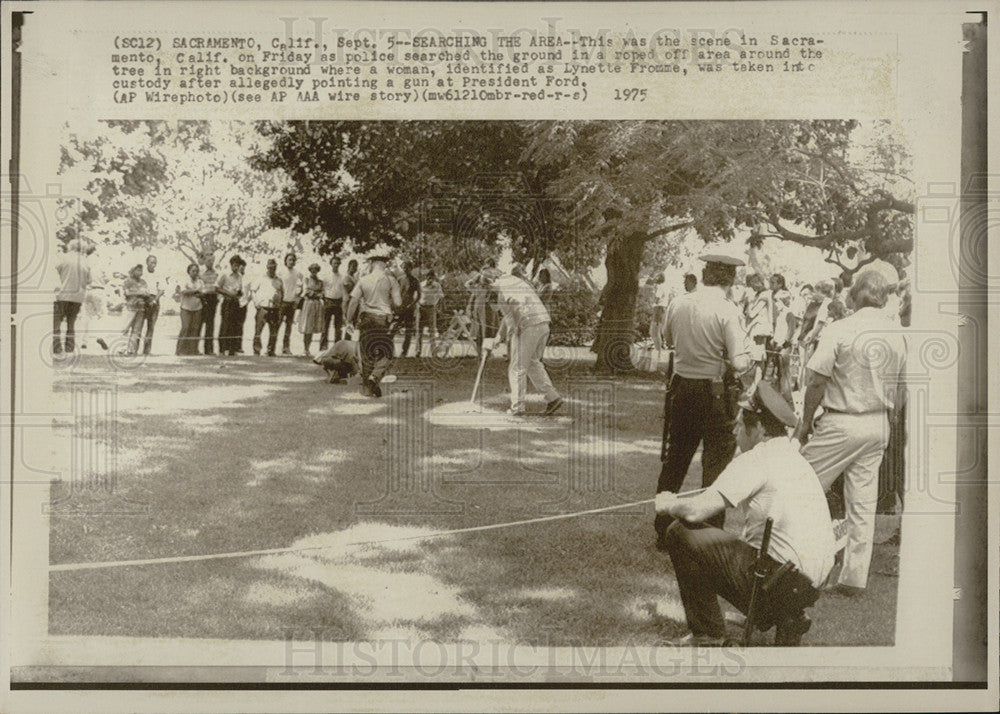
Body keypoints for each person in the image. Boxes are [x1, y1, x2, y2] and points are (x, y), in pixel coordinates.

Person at [656, 382, 835, 646]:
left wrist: (669, 504)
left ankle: (708, 635)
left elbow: (696, 512)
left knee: (680, 533)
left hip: (779, 581)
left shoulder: (756, 459)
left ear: (760, 429)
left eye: (740, 425)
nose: (735, 431)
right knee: (745, 546)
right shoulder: (794, 458)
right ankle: (787, 615)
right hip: (809, 587)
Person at [793, 270, 907, 595]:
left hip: (842, 420)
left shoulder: (841, 328)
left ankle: (795, 561)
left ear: (855, 295)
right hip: (879, 422)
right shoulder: (896, 334)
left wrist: (804, 425)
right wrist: (891, 417)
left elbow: (816, 379)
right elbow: (902, 385)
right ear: (883, 296)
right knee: (862, 503)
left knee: (800, 486)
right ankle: (853, 579)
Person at [654, 243, 752, 547]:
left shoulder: (679, 303)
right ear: (730, 278)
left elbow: (668, 340)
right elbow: (738, 361)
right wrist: (749, 357)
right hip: (715, 391)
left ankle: (662, 528)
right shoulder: (727, 310)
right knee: (716, 464)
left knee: (676, 459)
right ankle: (709, 537)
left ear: (706, 273)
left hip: (682, 387)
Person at [485, 266, 563, 417]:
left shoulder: (503, 284)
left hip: (529, 325)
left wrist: (517, 326)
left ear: (491, 280)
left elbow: (516, 304)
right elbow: (506, 316)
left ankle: (517, 408)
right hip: (542, 323)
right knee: (533, 363)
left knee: (516, 368)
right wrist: (498, 338)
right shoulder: (513, 282)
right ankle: (553, 398)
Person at [345, 251, 401, 397]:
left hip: (366, 318)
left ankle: (366, 388)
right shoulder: (391, 280)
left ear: (371, 263)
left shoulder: (364, 279)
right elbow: (398, 303)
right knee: (387, 352)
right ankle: (374, 378)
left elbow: (353, 301)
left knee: (366, 353)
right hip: (383, 319)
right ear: (385, 264)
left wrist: (349, 320)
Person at [52, 238, 91, 356]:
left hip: (63, 294)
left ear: (71, 246)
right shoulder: (85, 262)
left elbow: (55, 270)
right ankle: (69, 347)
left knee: (56, 322)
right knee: (71, 322)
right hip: (77, 297)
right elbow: (89, 280)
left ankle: (57, 347)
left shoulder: (64, 258)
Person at [249, 258, 284, 356]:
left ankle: (271, 350)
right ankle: (256, 350)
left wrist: (279, 304)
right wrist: (256, 303)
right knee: (258, 330)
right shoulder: (261, 278)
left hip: (274, 308)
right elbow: (252, 291)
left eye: (274, 267)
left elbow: (282, 293)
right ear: (267, 267)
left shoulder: (279, 280)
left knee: (274, 331)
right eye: (270, 267)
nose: (272, 269)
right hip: (263, 308)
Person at [77, 243, 109, 351]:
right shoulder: (100, 261)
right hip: (99, 290)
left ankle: (84, 341)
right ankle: (101, 336)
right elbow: (107, 278)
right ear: (95, 250)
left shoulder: (84, 262)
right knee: (102, 315)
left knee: (86, 316)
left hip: (87, 290)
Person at [388, 262, 421, 357]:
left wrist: (412, 305)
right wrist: (394, 305)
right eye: (404, 268)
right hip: (400, 307)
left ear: (411, 269)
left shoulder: (415, 280)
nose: (405, 270)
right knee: (393, 328)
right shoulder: (400, 279)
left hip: (409, 308)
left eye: (407, 268)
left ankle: (404, 351)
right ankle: (390, 350)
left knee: (408, 330)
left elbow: (419, 296)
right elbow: (394, 293)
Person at [216, 255, 245, 356]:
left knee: (235, 326)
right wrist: (228, 293)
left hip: (235, 302)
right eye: (235, 265)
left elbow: (240, 290)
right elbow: (217, 288)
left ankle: (232, 349)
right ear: (231, 264)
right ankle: (222, 349)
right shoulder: (224, 274)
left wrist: (239, 293)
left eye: (238, 265)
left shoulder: (240, 276)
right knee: (225, 325)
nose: (236, 267)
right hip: (227, 301)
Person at [136, 254, 164, 355]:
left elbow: (161, 290)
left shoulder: (158, 274)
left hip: (154, 300)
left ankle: (147, 351)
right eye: (151, 262)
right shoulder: (142, 274)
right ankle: (134, 349)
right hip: (143, 301)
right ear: (147, 263)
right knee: (139, 326)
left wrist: (155, 300)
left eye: (155, 262)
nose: (153, 264)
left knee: (151, 327)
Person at [175, 263, 204, 355]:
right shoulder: (185, 280)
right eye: (193, 271)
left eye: (196, 271)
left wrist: (193, 292)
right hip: (186, 308)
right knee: (185, 328)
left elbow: (202, 293)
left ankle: (193, 350)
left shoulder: (200, 282)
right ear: (189, 272)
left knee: (195, 329)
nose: (195, 273)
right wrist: (195, 291)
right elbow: (183, 291)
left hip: (197, 307)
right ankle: (180, 350)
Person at [277, 252, 303, 355]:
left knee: (288, 326)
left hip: (291, 303)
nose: (291, 262)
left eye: (293, 260)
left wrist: (297, 297)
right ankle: (272, 347)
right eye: (289, 260)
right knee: (277, 325)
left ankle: (286, 347)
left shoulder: (297, 273)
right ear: (286, 261)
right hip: (282, 302)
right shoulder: (281, 272)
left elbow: (301, 286)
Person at [320, 256, 347, 350]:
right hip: (328, 301)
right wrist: (324, 300)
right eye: (334, 263)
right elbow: (322, 289)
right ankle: (323, 347)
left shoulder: (342, 277)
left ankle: (337, 348)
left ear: (339, 264)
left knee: (338, 327)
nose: (336, 265)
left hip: (338, 302)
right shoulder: (326, 276)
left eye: (337, 263)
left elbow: (343, 291)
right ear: (331, 264)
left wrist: (343, 303)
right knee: (325, 326)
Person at [121, 264, 149, 356]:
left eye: (141, 270)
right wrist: (140, 292)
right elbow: (127, 293)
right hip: (130, 306)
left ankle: (131, 350)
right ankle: (122, 348)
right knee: (125, 328)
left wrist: (138, 293)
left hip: (140, 307)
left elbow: (147, 293)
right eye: (137, 270)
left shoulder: (143, 282)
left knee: (136, 330)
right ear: (133, 271)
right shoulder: (127, 281)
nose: (139, 272)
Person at [298, 263, 326, 356]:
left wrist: (317, 294)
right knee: (307, 326)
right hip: (309, 304)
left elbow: (322, 293)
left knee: (313, 326)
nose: (314, 271)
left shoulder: (320, 282)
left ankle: (309, 349)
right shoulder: (306, 280)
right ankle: (305, 349)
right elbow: (306, 291)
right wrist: (316, 293)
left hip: (317, 305)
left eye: (316, 270)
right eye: (312, 270)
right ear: (310, 270)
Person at [416, 268, 445, 357]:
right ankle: (418, 351)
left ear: (434, 278)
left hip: (431, 309)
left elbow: (441, 297)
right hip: (421, 308)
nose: (430, 280)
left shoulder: (437, 286)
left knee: (432, 330)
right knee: (419, 331)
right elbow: (416, 297)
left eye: (432, 278)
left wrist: (438, 306)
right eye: (429, 278)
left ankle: (433, 352)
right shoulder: (421, 285)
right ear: (426, 277)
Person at [199, 253, 219, 355]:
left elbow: (218, 287)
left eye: (212, 260)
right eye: (208, 260)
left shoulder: (216, 273)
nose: (210, 262)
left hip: (213, 298)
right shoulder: (200, 272)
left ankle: (209, 349)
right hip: (203, 298)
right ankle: (194, 348)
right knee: (199, 322)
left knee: (210, 324)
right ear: (204, 261)